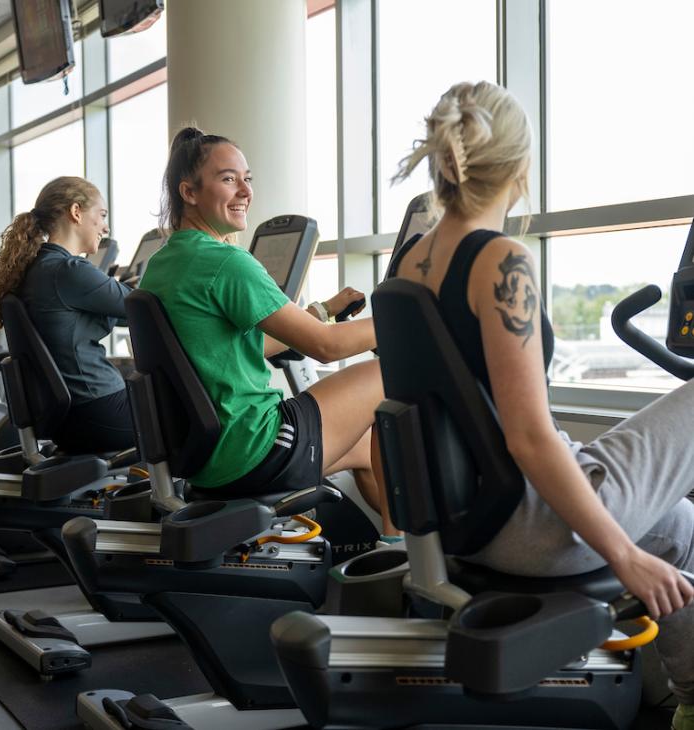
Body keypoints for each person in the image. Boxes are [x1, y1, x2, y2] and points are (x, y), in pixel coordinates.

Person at [388, 79, 694, 728]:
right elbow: (529, 439)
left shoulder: (412, 262)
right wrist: (624, 556)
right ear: (522, 170)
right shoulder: (501, 260)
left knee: (679, 528)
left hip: (470, 521)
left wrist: (640, 546)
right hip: (533, 525)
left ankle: (684, 697)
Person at [139, 128, 398, 538]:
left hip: (209, 459)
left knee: (368, 450)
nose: (245, 190)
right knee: (388, 377)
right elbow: (326, 347)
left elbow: (240, 346)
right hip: (256, 448)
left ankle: (394, 555)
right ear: (189, 192)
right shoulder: (226, 263)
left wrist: (321, 312)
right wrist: (408, 318)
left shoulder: (163, 264)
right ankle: (413, 566)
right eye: (228, 179)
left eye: (247, 178)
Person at [0, 176, 136, 454]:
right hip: (99, 412)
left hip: (69, 417)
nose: (105, 226)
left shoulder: (36, 268)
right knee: (184, 405)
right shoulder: (68, 270)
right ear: (76, 212)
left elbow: (118, 314)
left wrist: (111, 291)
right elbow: (141, 308)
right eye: (101, 215)